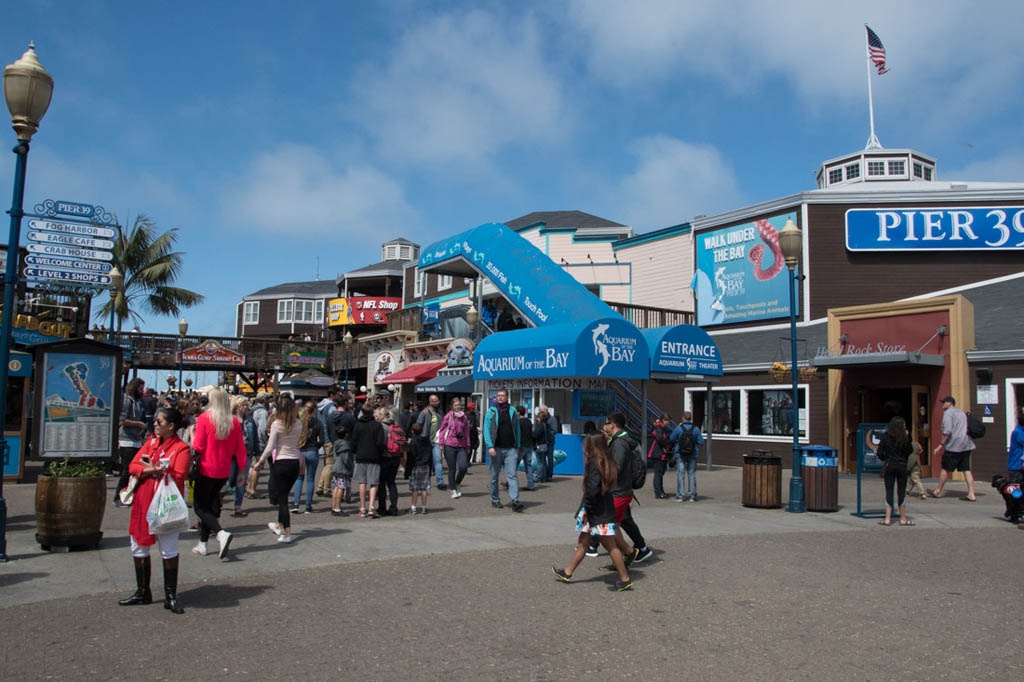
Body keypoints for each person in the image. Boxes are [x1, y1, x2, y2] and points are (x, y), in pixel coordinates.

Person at [118, 407, 192, 613]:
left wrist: (153, 470)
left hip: (165, 506)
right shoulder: (150, 442)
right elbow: (133, 466)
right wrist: (153, 469)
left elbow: (178, 476)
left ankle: (170, 596)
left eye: (159, 422)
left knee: (168, 549)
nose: (155, 424)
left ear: (171, 426)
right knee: (138, 545)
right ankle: (143, 591)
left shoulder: (181, 448)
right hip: (143, 502)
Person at [552, 433, 632, 591]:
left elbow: (593, 489)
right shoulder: (606, 460)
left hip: (597, 511)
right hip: (601, 508)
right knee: (583, 542)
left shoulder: (595, 462)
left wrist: (587, 509)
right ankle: (568, 572)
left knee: (610, 545)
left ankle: (625, 578)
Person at [190, 389, 247, 560]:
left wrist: (192, 434)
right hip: (224, 470)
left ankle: (220, 533)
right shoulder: (234, 423)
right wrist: (241, 471)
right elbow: (241, 449)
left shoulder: (205, 418)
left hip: (206, 468)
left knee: (200, 507)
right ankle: (203, 543)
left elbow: (198, 447)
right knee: (209, 506)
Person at [605, 412, 654, 564]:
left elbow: (617, 466)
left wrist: (602, 468)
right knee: (619, 522)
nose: (604, 426)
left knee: (608, 525)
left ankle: (630, 553)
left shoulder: (619, 443)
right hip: (622, 489)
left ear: (612, 425)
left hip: (619, 490)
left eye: (606, 423)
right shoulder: (622, 440)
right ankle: (636, 550)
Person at [254, 394, 304, 543]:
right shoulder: (298, 424)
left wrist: (260, 462)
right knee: (284, 494)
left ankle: (287, 533)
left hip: (281, 462)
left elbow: (270, 448)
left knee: (282, 500)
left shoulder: (277, 424)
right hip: (294, 462)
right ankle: (278, 524)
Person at [484, 388, 523, 511]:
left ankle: (515, 501)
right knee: (494, 476)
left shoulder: (513, 411)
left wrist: (517, 445)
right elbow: (486, 429)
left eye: (502, 395)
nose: (500, 397)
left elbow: (517, 429)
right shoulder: (491, 411)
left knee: (512, 475)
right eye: (498, 395)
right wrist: (490, 446)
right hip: (496, 449)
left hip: (510, 449)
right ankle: (495, 499)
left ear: (507, 397)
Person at [930, 396, 977, 500]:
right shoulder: (961, 412)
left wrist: (940, 445)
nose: (942, 404)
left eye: (944, 402)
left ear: (950, 403)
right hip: (966, 444)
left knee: (946, 469)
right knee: (966, 469)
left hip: (954, 446)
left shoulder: (948, 414)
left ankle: (938, 491)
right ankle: (972, 493)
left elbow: (947, 432)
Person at [113, 378, 147, 507]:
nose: (142, 391)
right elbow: (122, 420)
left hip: (136, 439)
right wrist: (139, 424)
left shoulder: (137, 401)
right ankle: (118, 496)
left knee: (135, 470)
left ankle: (128, 495)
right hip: (126, 439)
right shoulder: (127, 400)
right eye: (140, 389)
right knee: (127, 470)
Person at [876, 416, 915, 526]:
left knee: (889, 491)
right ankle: (903, 518)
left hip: (890, 465)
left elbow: (879, 453)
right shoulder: (905, 438)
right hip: (902, 466)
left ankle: (887, 519)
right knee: (901, 492)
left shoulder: (886, 437)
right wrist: (908, 437)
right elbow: (910, 451)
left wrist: (886, 458)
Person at [351, 403, 386, 518]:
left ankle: (362, 507)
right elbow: (381, 443)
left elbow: (354, 442)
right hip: (374, 457)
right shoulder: (377, 425)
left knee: (362, 482)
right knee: (373, 482)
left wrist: (355, 451)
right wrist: (379, 452)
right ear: (372, 412)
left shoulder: (357, 425)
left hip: (361, 456)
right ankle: (371, 506)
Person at [291, 400, 323, 514]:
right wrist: (316, 446)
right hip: (312, 451)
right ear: (314, 410)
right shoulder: (318, 423)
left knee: (299, 478)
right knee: (310, 479)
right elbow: (322, 440)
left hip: (301, 451)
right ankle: (308, 506)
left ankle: (296, 504)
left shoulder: (299, 422)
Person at [439, 397, 471, 498]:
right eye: (456, 405)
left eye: (459, 405)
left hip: (461, 445)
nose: (458, 407)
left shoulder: (464, 417)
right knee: (452, 469)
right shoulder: (448, 416)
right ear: (452, 406)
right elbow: (442, 430)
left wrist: (468, 445)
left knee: (463, 467)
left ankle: (457, 483)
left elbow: (466, 432)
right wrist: (441, 443)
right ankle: (452, 489)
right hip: (449, 445)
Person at [670, 411, 705, 502]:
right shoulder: (696, 429)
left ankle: (680, 496)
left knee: (680, 475)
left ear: (683, 418)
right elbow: (701, 442)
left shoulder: (679, 428)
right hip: (693, 455)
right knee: (691, 474)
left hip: (680, 454)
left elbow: (671, 438)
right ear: (690, 418)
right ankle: (692, 496)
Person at [416, 394, 447, 490]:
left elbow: (443, 426)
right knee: (427, 463)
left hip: (436, 441)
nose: (437, 402)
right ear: (430, 402)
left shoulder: (439, 413)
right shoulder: (424, 412)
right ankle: (427, 482)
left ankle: (440, 482)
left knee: (438, 461)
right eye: (434, 401)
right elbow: (418, 426)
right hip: (425, 441)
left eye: (437, 400)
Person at [377, 407, 404, 516]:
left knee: (382, 483)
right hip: (396, 457)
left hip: (384, 457)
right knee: (392, 483)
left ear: (383, 416)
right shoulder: (397, 426)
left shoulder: (382, 427)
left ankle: (382, 508)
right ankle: (394, 507)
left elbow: (380, 443)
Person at [228, 395, 252, 517]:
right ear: (237, 406)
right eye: (243, 405)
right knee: (228, 479)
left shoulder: (249, 420)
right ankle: (218, 501)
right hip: (231, 454)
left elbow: (254, 437)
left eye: (246, 405)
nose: (246, 407)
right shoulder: (230, 420)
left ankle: (238, 506)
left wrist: (257, 452)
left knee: (241, 480)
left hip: (245, 452)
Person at [315, 389, 340, 497]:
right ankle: (326, 488)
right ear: (332, 395)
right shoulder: (331, 407)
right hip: (329, 437)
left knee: (327, 464)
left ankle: (320, 486)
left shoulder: (320, 406)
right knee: (330, 465)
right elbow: (335, 421)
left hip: (322, 437)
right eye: (338, 394)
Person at [406, 421, 432, 514]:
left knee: (415, 488)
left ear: (413, 431)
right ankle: (424, 507)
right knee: (424, 488)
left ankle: (413, 507)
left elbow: (410, 456)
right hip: (425, 465)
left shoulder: (413, 442)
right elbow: (430, 455)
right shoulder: (427, 441)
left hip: (416, 466)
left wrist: (407, 470)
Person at [648, 414, 674, 499]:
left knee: (660, 473)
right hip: (658, 453)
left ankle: (661, 491)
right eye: (668, 421)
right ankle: (658, 493)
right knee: (658, 473)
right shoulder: (659, 428)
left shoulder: (661, 428)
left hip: (660, 453)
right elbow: (660, 439)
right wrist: (668, 444)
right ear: (663, 420)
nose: (669, 423)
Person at [330, 424, 353, 517]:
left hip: (336, 467)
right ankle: (337, 508)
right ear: (346, 434)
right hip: (342, 469)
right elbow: (346, 459)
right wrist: (351, 466)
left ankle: (333, 507)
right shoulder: (345, 445)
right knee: (340, 488)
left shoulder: (336, 443)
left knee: (336, 487)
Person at [516, 405, 536, 491]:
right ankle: (530, 484)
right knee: (528, 466)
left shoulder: (518, 422)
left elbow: (517, 435)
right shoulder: (529, 421)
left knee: (513, 465)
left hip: (521, 446)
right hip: (529, 446)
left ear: (518, 412)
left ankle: (511, 483)